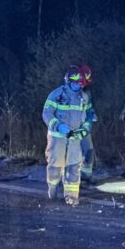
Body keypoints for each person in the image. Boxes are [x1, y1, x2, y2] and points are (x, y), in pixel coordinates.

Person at [41, 65, 97, 206]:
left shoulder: (83, 97)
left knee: (73, 166)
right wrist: (58, 125)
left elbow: (88, 117)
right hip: (57, 138)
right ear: (68, 81)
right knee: (55, 165)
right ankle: (53, 188)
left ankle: (71, 196)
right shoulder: (56, 95)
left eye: (79, 84)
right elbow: (46, 113)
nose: (77, 86)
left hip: (74, 139)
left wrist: (85, 128)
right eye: (74, 83)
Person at [78, 64, 97, 182]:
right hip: (71, 129)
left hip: (84, 128)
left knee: (89, 151)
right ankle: (70, 179)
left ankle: (86, 176)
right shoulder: (67, 93)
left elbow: (89, 108)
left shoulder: (87, 93)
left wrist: (91, 116)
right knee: (73, 155)